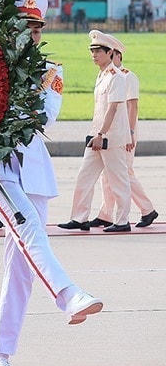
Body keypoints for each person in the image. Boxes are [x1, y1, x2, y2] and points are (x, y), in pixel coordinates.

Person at [0, 0, 102, 366]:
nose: (28, 34)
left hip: (33, 170)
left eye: (34, 28)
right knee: (29, 230)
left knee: (23, 269)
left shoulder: (50, 70)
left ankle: (0, 355)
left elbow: (43, 116)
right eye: (22, 26)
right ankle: (68, 294)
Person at [60, 30, 132, 232]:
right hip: (96, 136)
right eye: (92, 51)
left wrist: (102, 134)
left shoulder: (117, 77)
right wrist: (96, 134)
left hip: (111, 138)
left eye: (98, 51)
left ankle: (122, 221)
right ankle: (79, 218)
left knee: (118, 181)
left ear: (110, 53)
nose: (94, 55)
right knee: (84, 177)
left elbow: (113, 108)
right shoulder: (101, 75)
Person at [93, 41, 157, 228]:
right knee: (109, 174)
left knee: (123, 174)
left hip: (125, 131)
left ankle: (147, 209)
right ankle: (106, 213)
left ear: (118, 55)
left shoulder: (128, 77)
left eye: (111, 56)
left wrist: (130, 133)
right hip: (112, 131)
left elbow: (133, 106)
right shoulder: (107, 76)